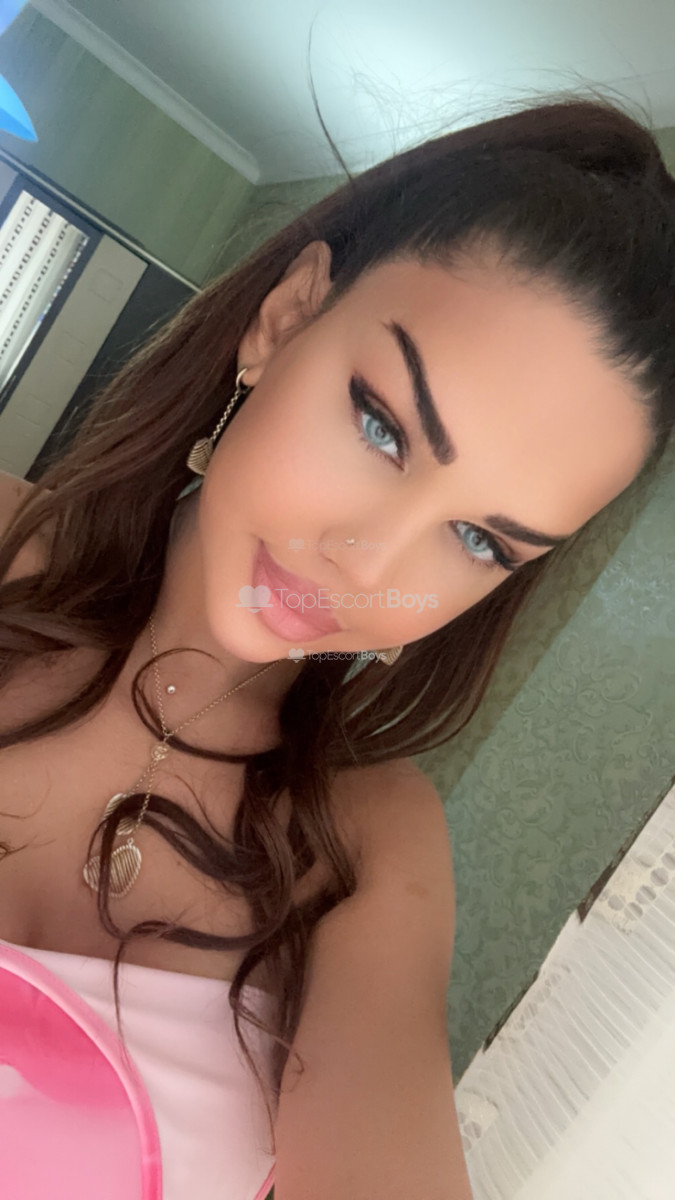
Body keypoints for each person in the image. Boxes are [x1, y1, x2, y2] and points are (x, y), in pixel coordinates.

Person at [0, 93, 673, 1200]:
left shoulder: (367, 848)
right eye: (381, 426)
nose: (365, 564)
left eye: (479, 539)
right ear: (286, 316)